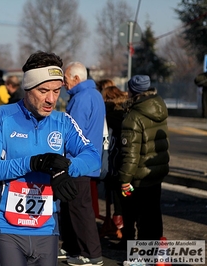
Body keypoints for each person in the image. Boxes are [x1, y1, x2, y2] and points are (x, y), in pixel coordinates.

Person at [0, 51, 101, 266]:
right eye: (43, 90)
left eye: (56, 91)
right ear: (27, 88)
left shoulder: (63, 121)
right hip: (7, 227)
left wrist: (64, 169)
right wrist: (33, 163)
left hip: (46, 227)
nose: (51, 99)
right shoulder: (2, 116)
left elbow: (93, 157)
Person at [114, 75, 169, 249]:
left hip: (138, 176)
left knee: (138, 215)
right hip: (156, 171)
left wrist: (124, 180)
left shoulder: (133, 117)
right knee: (153, 214)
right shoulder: (159, 108)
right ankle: (153, 250)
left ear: (132, 91)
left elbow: (130, 155)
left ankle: (141, 254)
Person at [59, 61, 104, 266]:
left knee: (80, 209)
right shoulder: (95, 95)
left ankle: (91, 254)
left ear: (76, 79)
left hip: (77, 162)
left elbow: (72, 134)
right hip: (89, 160)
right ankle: (74, 248)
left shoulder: (80, 99)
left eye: (66, 80)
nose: (63, 84)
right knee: (74, 207)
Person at [98, 85, 128, 240]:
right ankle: (122, 229)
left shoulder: (108, 115)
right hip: (126, 161)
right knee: (125, 196)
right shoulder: (126, 111)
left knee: (117, 196)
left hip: (113, 160)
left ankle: (119, 228)